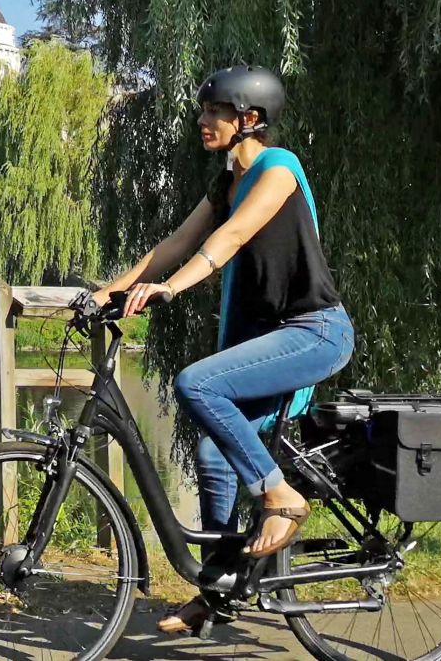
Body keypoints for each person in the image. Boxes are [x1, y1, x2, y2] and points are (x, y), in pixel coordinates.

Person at [88, 65, 354, 636]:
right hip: (275, 340)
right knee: (213, 454)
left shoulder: (278, 169)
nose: (203, 120)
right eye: (204, 110)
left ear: (249, 119)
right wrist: (110, 291)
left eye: (215, 111)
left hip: (315, 332)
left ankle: (280, 497)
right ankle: (219, 590)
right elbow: (176, 243)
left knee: (196, 383)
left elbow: (227, 240)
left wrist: (171, 288)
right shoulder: (225, 184)